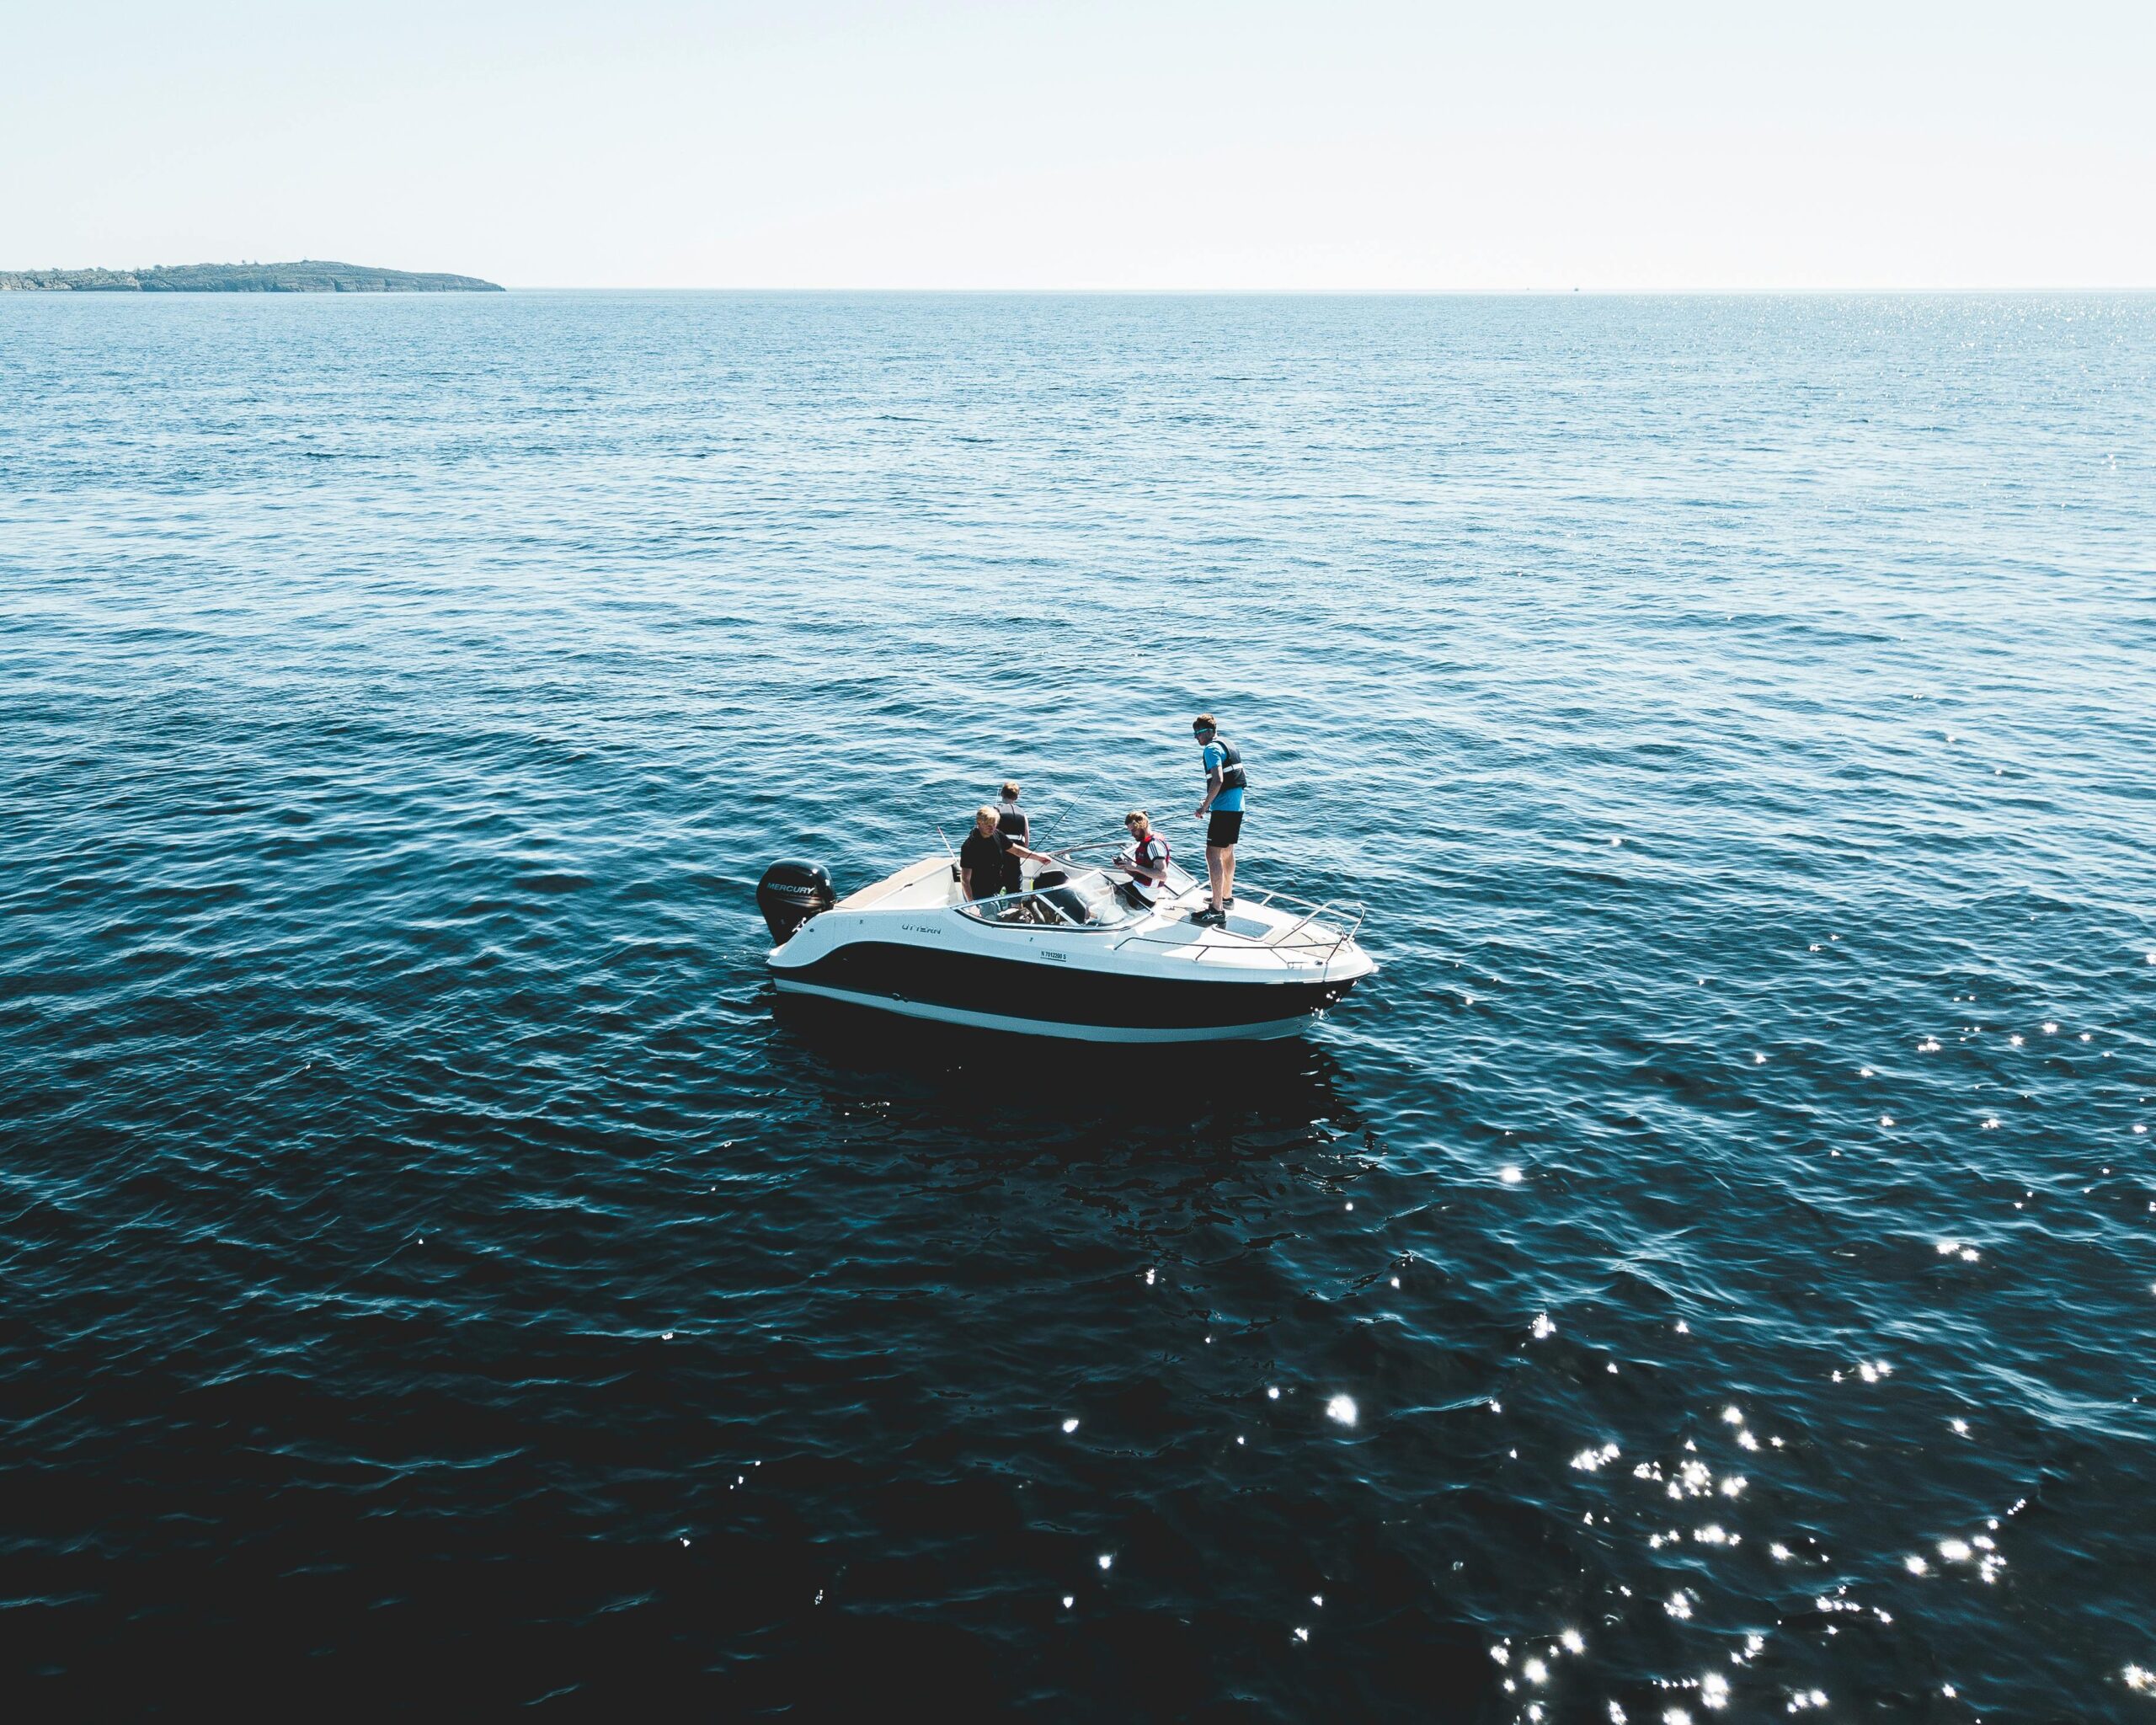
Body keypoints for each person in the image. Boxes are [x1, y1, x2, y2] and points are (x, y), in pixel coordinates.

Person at [1190, 713, 1246, 926]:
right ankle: (1226, 897)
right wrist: (1209, 800)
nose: (1196, 738)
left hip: (1224, 810)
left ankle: (1216, 909)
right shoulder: (1228, 743)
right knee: (1227, 851)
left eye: (1198, 734)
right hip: (1237, 807)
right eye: (1194, 734)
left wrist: (1204, 806)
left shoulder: (1211, 749)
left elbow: (1219, 779)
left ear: (1209, 732)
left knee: (1212, 853)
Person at [959, 804, 1049, 901]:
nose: (992, 828)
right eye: (988, 825)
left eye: (994, 824)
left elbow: (1017, 850)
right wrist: (972, 904)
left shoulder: (997, 834)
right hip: (978, 893)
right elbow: (965, 880)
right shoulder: (969, 846)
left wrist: (1038, 857)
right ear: (979, 823)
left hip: (996, 888)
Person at [1116, 809, 1172, 905]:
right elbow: (1142, 875)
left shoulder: (1153, 845)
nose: (1132, 834)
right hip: (1139, 889)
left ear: (1142, 826)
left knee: (1102, 895)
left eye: (1134, 830)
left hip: (1144, 897)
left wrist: (1136, 867)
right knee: (1108, 888)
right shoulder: (1145, 842)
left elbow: (1163, 875)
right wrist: (1126, 867)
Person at [994, 781, 1031, 895]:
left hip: (997, 860)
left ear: (1002, 794)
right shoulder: (1022, 814)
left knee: (993, 891)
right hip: (1015, 861)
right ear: (1016, 797)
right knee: (1014, 893)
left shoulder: (995, 811)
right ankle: (1016, 909)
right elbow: (1026, 843)